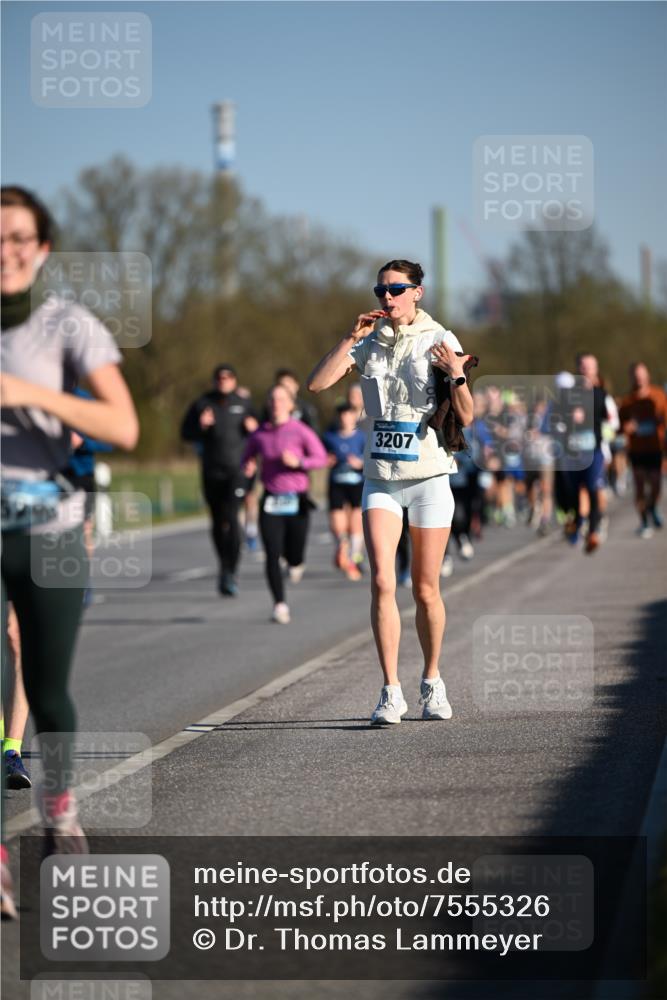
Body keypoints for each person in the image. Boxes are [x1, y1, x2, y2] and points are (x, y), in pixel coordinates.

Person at [1, 185, 138, 916]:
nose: (6, 251)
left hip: (50, 530)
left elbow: (123, 426)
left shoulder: (67, 326)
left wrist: (31, 396)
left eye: (19, 238)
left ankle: (57, 810)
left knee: (47, 690)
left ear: (42, 248)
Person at [308, 259, 473, 725]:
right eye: (380, 290)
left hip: (428, 478)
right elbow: (318, 383)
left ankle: (432, 680)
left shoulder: (441, 338)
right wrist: (350, 338)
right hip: (381, 478)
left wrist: (455, 373)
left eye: (397, 289)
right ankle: (390, 690)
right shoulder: (370, 340)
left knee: (424, 588)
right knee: (381, 579)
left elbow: (469, 414)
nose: (387, 298)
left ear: (417, 292)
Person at [241, 383, 327, 624]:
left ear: (291, 405)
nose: (276, 403)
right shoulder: (260, 434)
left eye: (281, 399)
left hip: (297, 500)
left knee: (295, 553)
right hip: (270, 500)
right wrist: (247, 466)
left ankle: (296, 562)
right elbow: (246, 457)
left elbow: (320, 458)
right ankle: (279, 604)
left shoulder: (301, 431)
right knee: (271, 553)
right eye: (272, 399)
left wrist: (298, 462)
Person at [181, 364, 258, 595]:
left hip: (237, 471)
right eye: (219, 377)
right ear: (214, 380)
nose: (223, 380)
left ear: (234, 380)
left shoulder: (244, 404)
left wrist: (253, 435)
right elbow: (185, 433)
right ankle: (223, 565)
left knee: (232, 518)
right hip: (211, 470)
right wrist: (200, 426)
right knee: (216, 521)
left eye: (228, 377)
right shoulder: (203, 403)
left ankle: (230, 571)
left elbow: (261, 434)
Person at [619, 362, 667, 539]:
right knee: (639, 485)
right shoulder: (627, 401)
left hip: (655, 448)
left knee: (655, 485)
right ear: (631, 377)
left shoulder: (659, 396)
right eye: (635, 374)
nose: (639, 378)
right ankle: (644, 521)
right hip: (637, 449)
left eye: (641, 374)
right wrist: (626, 428)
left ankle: (652, 506)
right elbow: (618, 427)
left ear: (647, 375)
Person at [322, 402, 366, 580]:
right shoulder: (329, 437)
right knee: (336, 519)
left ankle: (353, 556)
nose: (344, 418)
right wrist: (327, 459)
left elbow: (370, 457)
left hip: (357, 482)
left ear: (354, 416)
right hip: (337, 482)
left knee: (356, 520)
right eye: (341, 415)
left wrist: (360, 463)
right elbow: (320, 455)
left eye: (348, 414)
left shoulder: (362, 437)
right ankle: (343, 543)